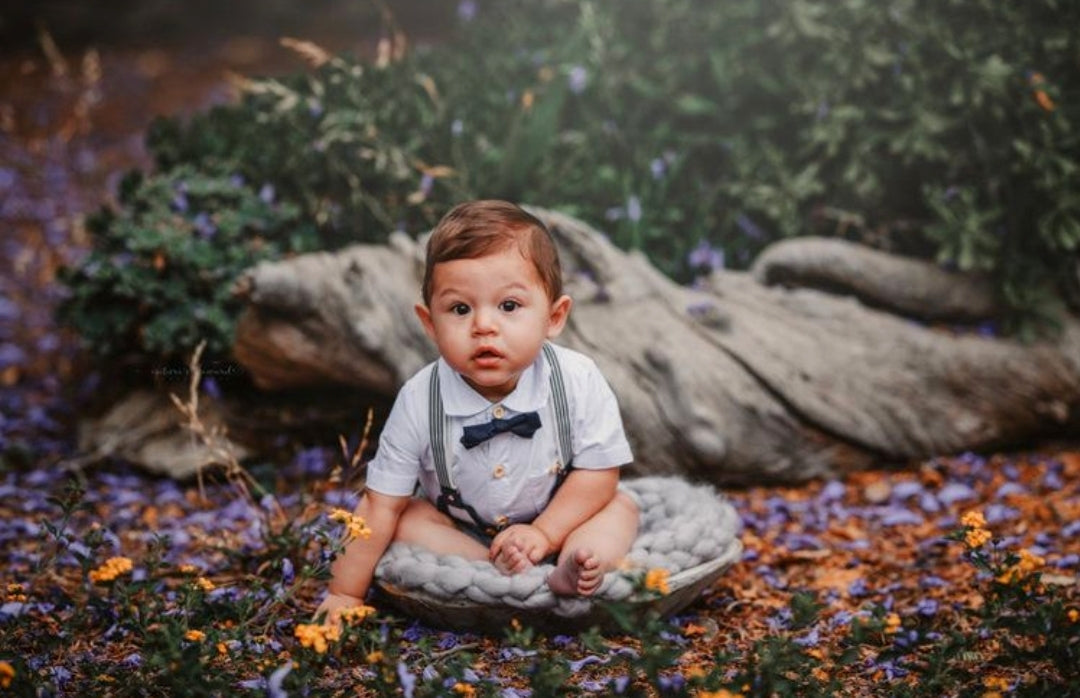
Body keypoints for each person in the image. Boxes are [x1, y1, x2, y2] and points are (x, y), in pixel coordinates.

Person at [317, 200, 639, 623]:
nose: (483, 326)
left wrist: (544, 533)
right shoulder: (419, 398)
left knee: (619, 507)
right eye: (460, 309)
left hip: (559, 519)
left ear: (554, 317)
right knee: (406, 517)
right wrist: (344, 593)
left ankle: (576, 565)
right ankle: (498, 571)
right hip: (465, 535)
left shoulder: (577, 379)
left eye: (509, 306)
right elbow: (380, 506)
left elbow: (598, 473)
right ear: (430, 324)